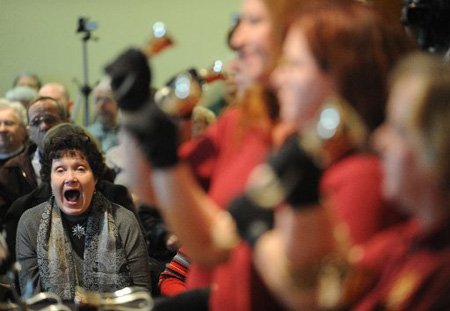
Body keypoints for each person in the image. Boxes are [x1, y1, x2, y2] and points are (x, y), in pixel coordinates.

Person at [106, 0, 307, 309]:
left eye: (253, 21)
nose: (236, 39)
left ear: (296, 29)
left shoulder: (319, 140)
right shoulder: (240, 122)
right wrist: (132, 112)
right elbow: (152, 188)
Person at [232, 1, 416, 309]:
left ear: (342, 74)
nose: (278, 78)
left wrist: (258, 233)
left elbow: (326, 300)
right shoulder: (325, 164)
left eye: (294, 64)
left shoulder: (362, 176)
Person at [346, 51, 450, 310]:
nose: (379, 140)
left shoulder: (441, 271)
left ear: (439, 147)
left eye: (399, 130)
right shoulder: (405, 243)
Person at [16, 123, 151, 301]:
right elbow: (33, 300)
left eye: (80, 168)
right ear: (49, 178)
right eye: (60, 170)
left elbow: (140, 297)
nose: (70, 178)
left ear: (95, 177)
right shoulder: (30, 223)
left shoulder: (123, 221)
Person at [87, 80, 120, 153]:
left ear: (118, 102)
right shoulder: (87, 135)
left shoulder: (129, 136)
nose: (100, 106)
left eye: (106, 100)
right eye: (97, 100)